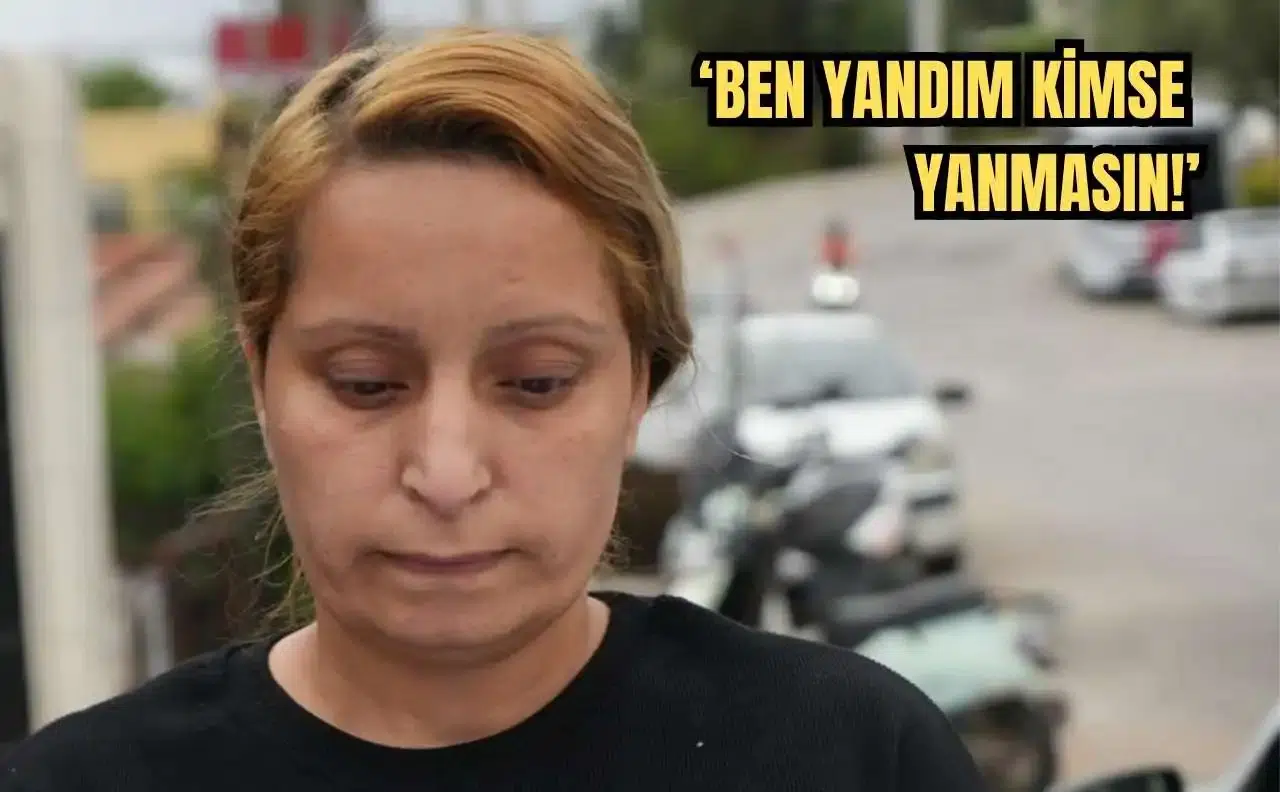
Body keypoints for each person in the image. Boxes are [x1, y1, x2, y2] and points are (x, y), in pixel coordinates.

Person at [2, 30, 988, 791]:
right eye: (365, 383)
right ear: (261, 379)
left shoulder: (853, 758)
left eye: (536, 383)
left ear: (638, 385)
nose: (445, 473)